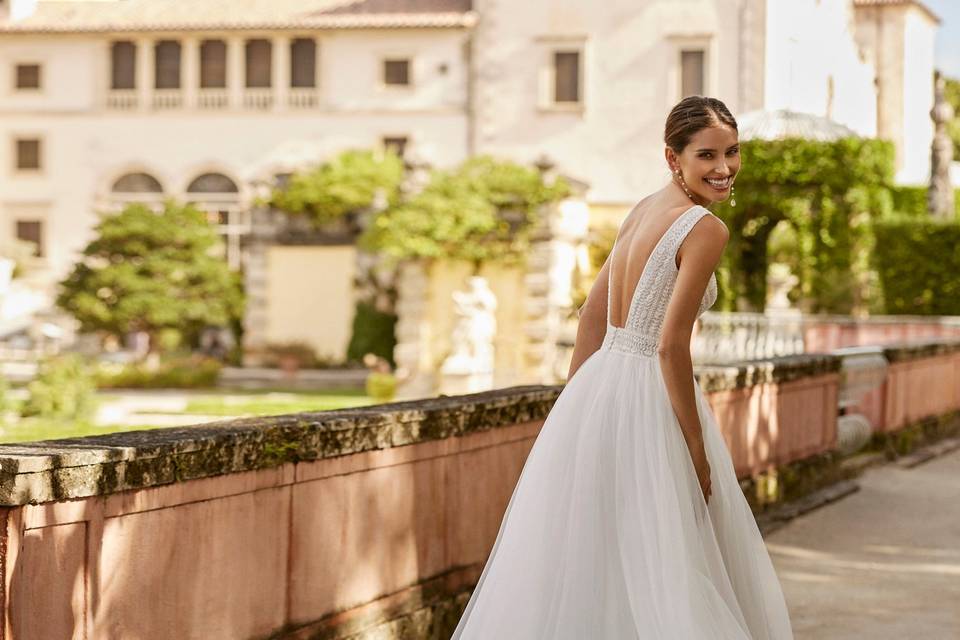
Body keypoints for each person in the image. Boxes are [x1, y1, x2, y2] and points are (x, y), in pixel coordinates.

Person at [450, 96, 794, 639]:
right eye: (706, 155)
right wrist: (696, 449)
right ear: (672, 156)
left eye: (732, 152)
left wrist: (578, 408)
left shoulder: (639, 210)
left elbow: (591, 318)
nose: (723, 168)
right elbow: (669, 347)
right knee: (666, 554)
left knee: (595, 553)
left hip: (600, 386)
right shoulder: (705, 227)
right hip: (649, 396)